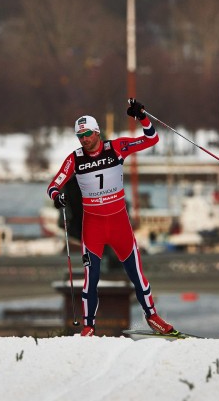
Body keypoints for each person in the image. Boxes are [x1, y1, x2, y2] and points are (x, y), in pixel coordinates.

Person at [47, 99, 176, 337]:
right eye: (79, 136)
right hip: (93, 226)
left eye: (87, 134)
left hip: (119, 224)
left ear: (96, 132)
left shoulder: (116, 147)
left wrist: (142, 117)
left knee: (137, 275)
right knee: (91, 279)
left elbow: (152, 139)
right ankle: (89, 327)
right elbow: (54, 185)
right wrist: (57, 197)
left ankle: (153, 317)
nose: (84, 139)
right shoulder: (75, 159)